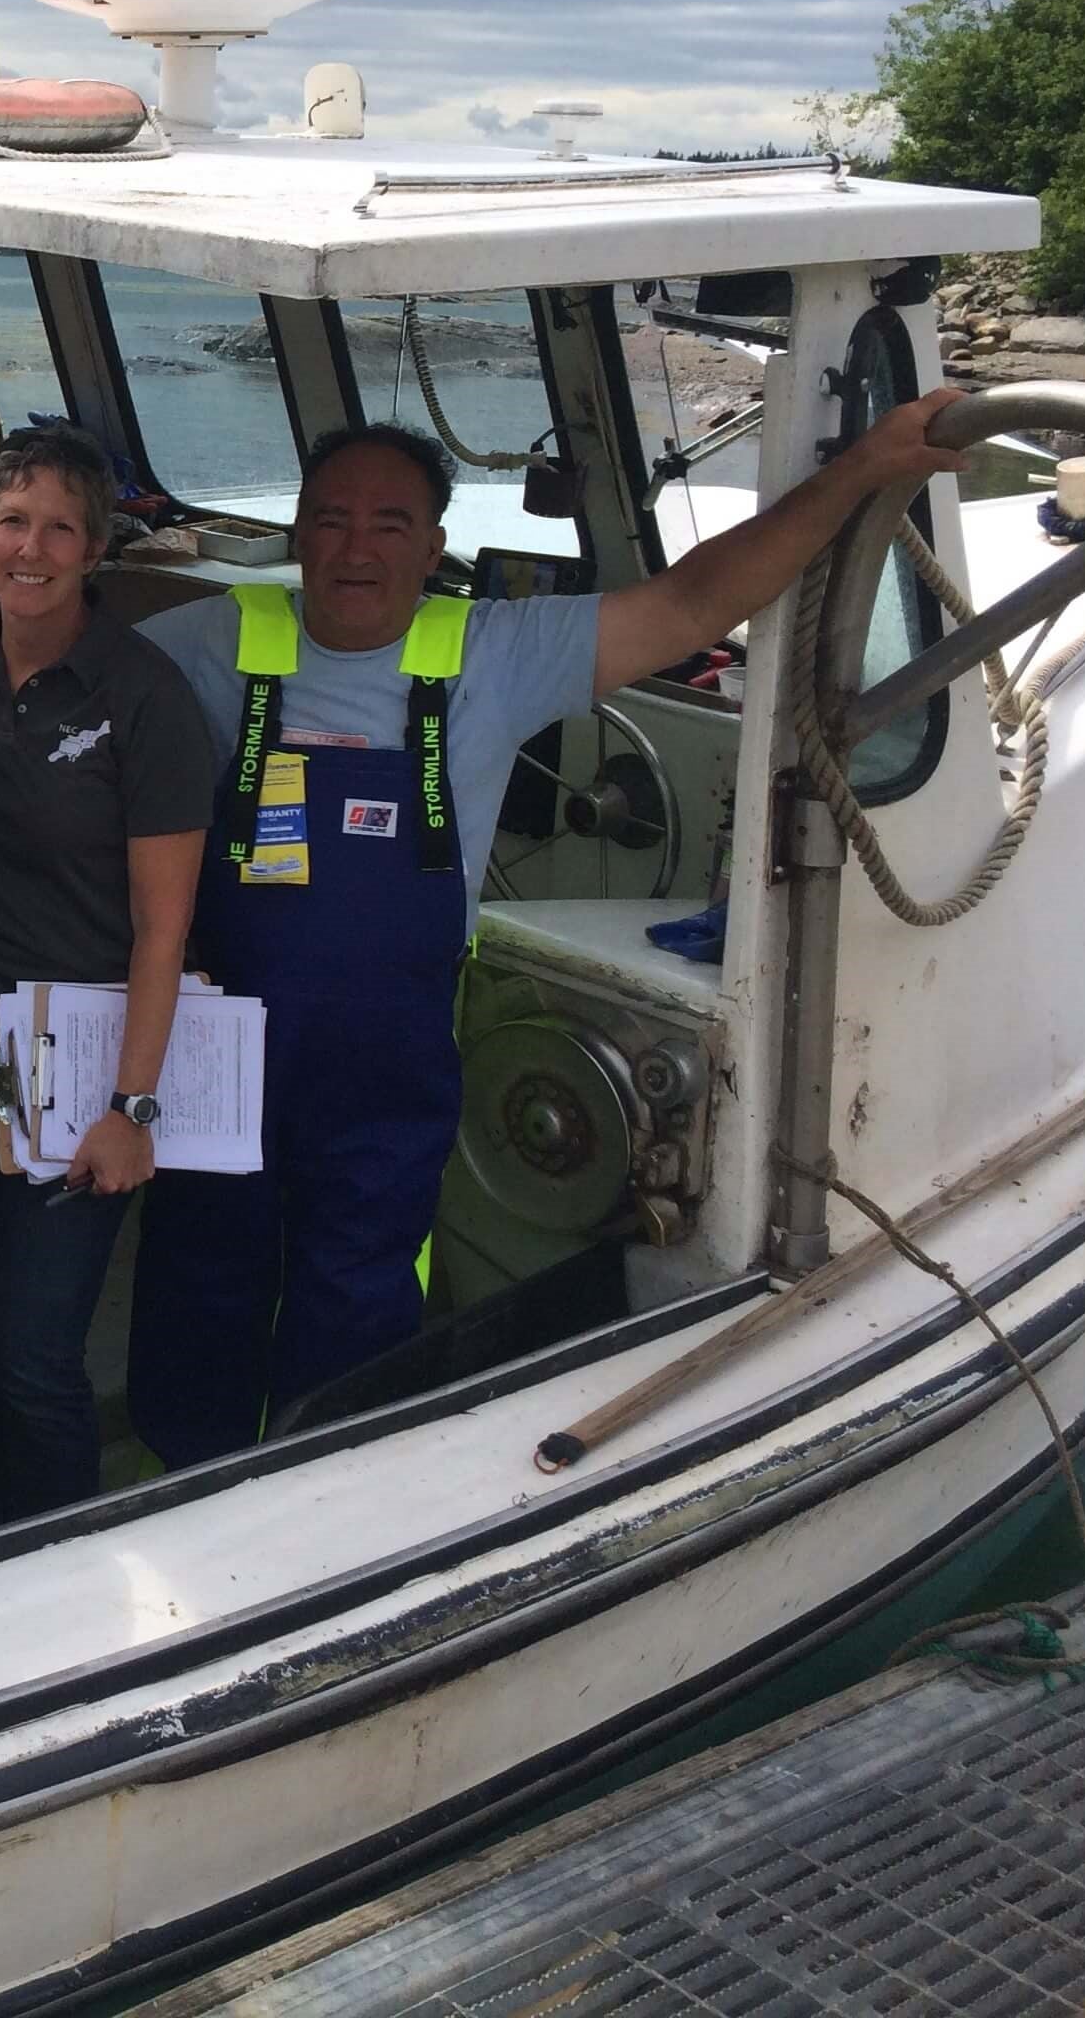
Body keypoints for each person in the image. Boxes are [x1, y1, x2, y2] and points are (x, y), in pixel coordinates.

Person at [131, 399, 974, 1459]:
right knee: (201, 1266)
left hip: (386, 1057)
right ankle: (175, 1483)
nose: (355, 548)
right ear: (297, 531)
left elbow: (695, 597)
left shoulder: (495, 649)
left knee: (362, 1284)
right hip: (221, 1045)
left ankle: (322, 1477)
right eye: (330, 519)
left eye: (389, 524)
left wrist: (862, 470)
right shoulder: (204, 642)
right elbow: (67, 699)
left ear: (433, 547)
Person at [0, 424, 215, 1525]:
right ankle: (10, 1539)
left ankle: (57, 1564)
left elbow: (162, 928)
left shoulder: (142, 699)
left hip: (85, 1070)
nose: (29, 547)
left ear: (95, 550)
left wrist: (132, 1106)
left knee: (39, 1350)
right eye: (10, 521)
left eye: (57, 528)